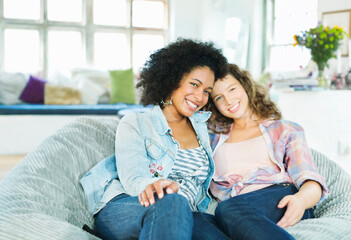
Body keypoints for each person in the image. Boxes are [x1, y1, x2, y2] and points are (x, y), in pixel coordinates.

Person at [80, 38, 229, 240]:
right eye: (194, 84)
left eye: (206, 92)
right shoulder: (136, 123)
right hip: (131, 207)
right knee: (173, 201)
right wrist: (152, 185)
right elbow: (133, 178)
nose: (199, 97)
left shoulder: (203, 127)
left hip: (186, 214)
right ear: (173, 79)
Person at [206, 64, 329, 240]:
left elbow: (311, 179)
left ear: (245, 86)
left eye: (232, 89)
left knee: (228, 209)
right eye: (219, 97)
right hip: (239, 209)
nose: (228, 100)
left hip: (280, 197)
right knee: (195, 219)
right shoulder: (213, 139)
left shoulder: (284, 130)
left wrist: (301, 200)